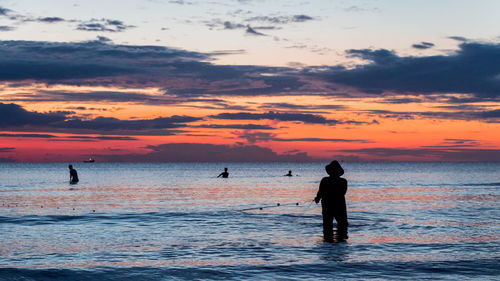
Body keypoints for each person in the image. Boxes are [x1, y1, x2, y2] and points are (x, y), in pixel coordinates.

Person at [314, 160, 348, 241]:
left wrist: (317, 199)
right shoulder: (343, 181)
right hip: (339, 205)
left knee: (327, 225)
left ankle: (328, 241)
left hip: (328, 205)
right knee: (343, 225)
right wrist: (318, 198)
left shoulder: (325, 180)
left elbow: (320, 192)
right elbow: (343, 193)